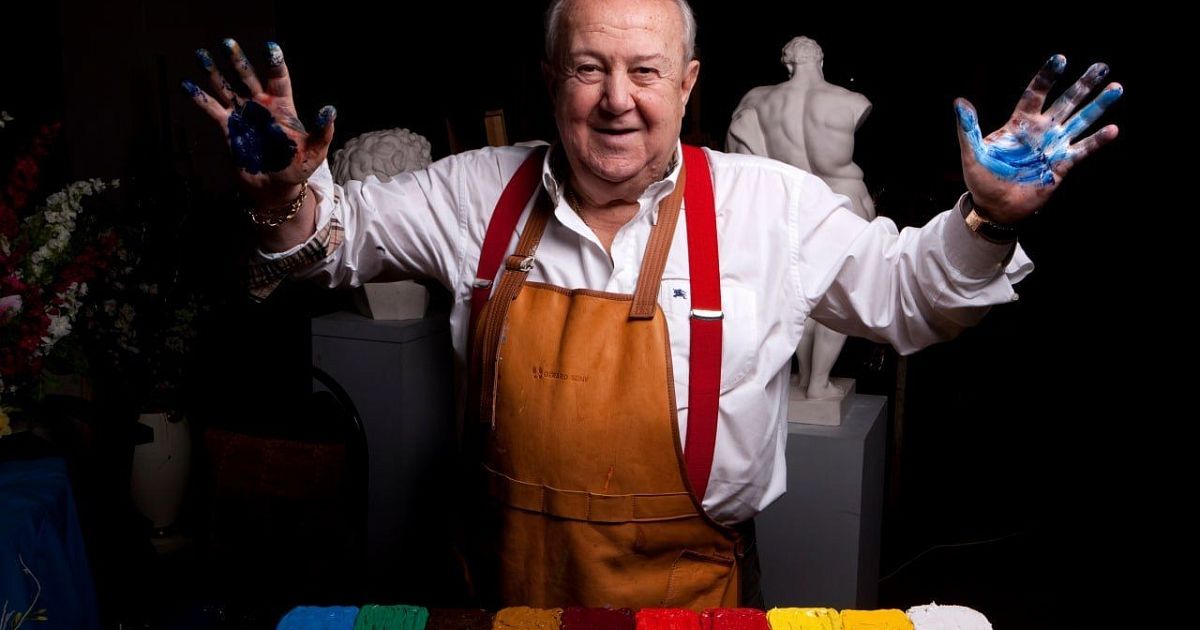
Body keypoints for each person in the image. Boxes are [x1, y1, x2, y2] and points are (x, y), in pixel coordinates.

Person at [184, 0, 1121, 610]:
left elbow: (913, 294)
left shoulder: (771, 206)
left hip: (691, 603)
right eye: (589, 68)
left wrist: (988, 218)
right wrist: (284, 195)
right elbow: (334, 240)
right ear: (551, 79)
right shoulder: (475, 191)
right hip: (504, 599)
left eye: (644, 71)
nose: (617, 101)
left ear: (687, 82)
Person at [727, 35, 874, 401]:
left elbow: (738, 154)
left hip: (791, 203)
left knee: (799, 296)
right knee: (838, 296)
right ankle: (818, 383)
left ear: (787, 63)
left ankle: (804, 377)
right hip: (842, 201)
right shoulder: (851, 101)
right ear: (820, 60)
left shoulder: (758, 101)